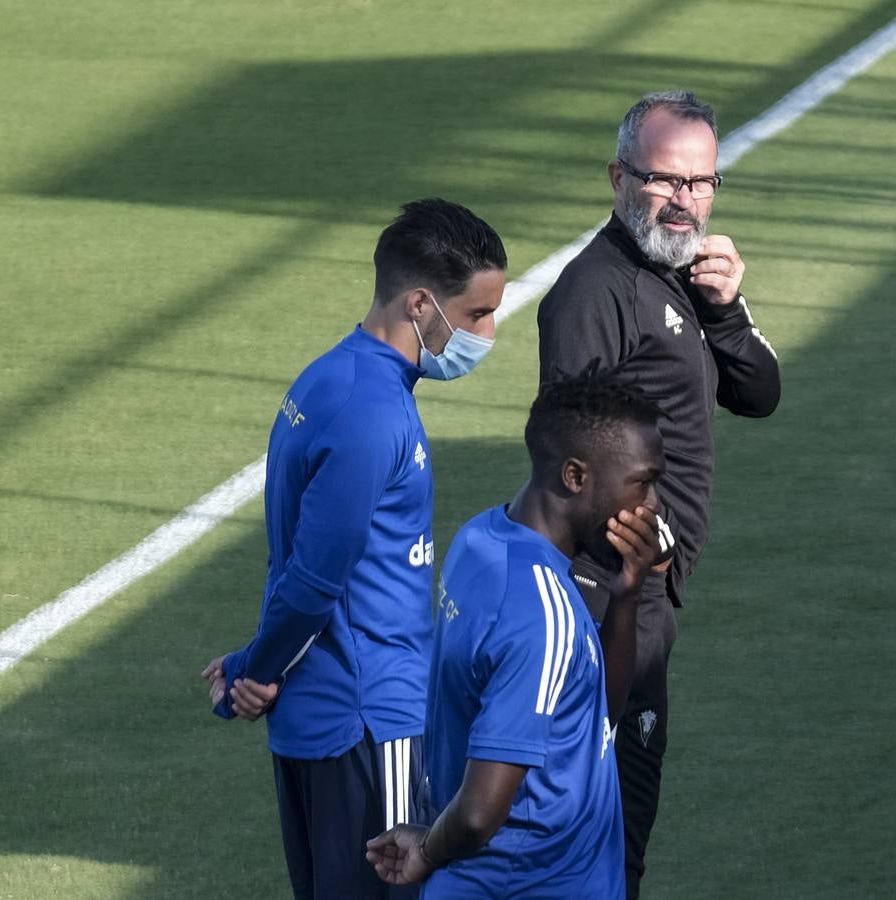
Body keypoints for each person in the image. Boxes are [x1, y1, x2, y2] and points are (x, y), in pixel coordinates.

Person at [201, 198, 508, 900]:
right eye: (477, 316)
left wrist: (259, 665)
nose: (489, 335)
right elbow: (314, 579)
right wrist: (254, 670)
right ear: (421, 304)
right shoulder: (375, 411)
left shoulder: (327, 377)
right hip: (371, 722)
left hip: (320, 719)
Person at [535, 89, 782, 896]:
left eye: (701, 183)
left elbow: (759, 393)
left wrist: (728, 308)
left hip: (645, 600)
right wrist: (651, 547)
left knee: (621, 837)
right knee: (607, 840)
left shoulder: (683, 276)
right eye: (664, 180)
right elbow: (568, 455)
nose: (684, 202)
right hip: (608, 600)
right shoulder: (593, 292)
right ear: (617, 175)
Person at [364, 372, 665, 898]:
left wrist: (626, 595)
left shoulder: (481, 538)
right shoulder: (539, 610)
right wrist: (428, 851)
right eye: (642, 482)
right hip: (529, 884)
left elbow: (594, 720)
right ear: (575, 476)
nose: (654, 504)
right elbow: (481, 813)